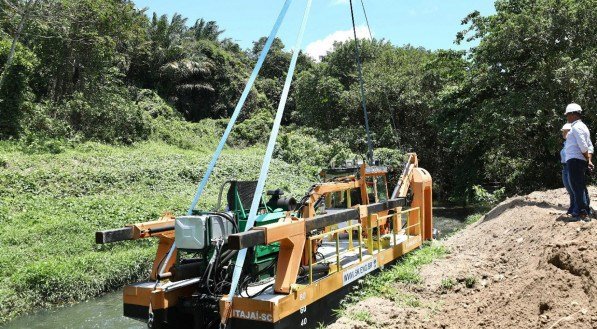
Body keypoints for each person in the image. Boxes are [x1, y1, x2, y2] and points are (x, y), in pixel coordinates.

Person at [564, 102, 593, 221]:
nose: (567, 117)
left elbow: (583, 146)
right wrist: (589, 160)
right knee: (580, 185)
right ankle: (585, 210)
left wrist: (587, 159)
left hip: (575, 160)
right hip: (578, 160)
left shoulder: (576, 127)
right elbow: (589, 146)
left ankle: (582, 213)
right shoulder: (583, 127)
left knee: (577, 187)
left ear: (572, 114)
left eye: (567, 115)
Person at [561, 123, 574, 214]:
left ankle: (580, 209)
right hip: (565, 167)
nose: (563, 133)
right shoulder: (565, 143)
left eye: (564, 131)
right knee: (570, 189)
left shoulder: (573, 143)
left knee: (574, 189)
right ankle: (572, 207)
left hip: (571, 166)